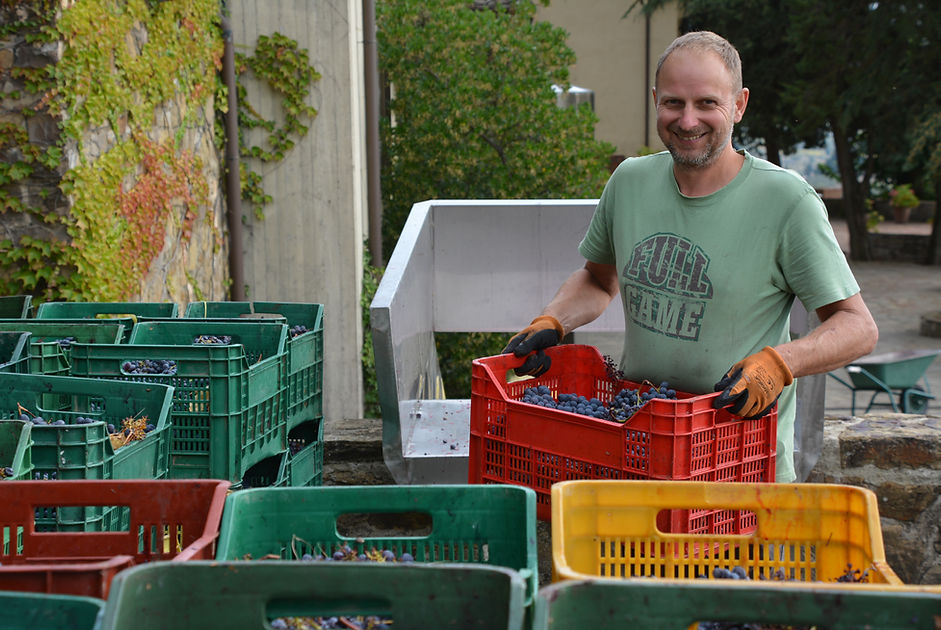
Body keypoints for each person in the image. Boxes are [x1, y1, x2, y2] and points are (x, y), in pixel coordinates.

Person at [503, 30, 878, 483]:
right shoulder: (629, 182)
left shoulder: (786, 202)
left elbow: (857, 327)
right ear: (655, 100)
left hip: (737, 462)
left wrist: (781, 363)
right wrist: (552, 321)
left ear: (739, 105)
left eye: (707, 103)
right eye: (674, 103)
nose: (687, 120)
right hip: (640, 447)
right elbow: (600, 281)